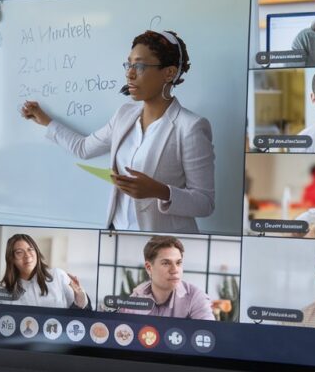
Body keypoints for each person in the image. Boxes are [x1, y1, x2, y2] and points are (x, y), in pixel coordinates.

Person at [21, 30, 215, 234]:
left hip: (162, 240)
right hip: (118, 233)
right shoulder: (124, 115)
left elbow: (205, 202)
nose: (129, 73)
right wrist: (46, 121)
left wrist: (160, 191)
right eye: (129, 64)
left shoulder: (191, 127)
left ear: (168, 73)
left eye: (139, 66)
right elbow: (83, 148)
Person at [119, 235, 214, 320]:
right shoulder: (136, 298)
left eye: (178, 263)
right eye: (166, 263)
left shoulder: (195, 297)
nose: (175, 270)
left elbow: (209, 334)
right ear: (149, 268)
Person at [0, 234, 89, 309]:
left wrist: (81, 297)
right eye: (20, 252)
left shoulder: (57, 275)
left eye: (30, 249)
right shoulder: (4, 291)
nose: (27, 255)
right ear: (11, 258)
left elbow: (78, 310)